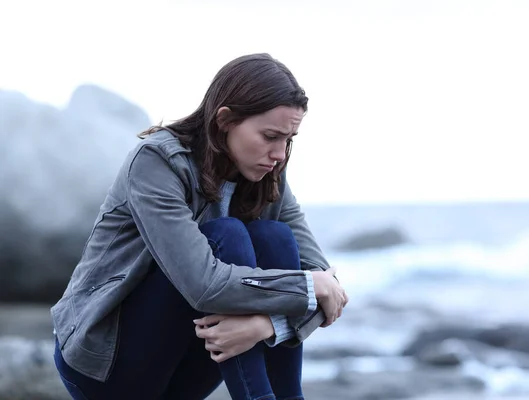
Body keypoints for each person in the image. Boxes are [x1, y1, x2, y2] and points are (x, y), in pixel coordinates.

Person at [50, 53, 349, 400]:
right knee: (228, 236)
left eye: (289, 139)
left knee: (274, 238)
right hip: (106, 363)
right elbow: (204, 285)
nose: (280, 153)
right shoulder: (157, 162)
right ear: (225, 120)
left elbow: (329, 288)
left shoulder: (269, 178)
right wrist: (310, 287)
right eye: (270, 136)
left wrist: (266, 325)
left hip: (186, 361)